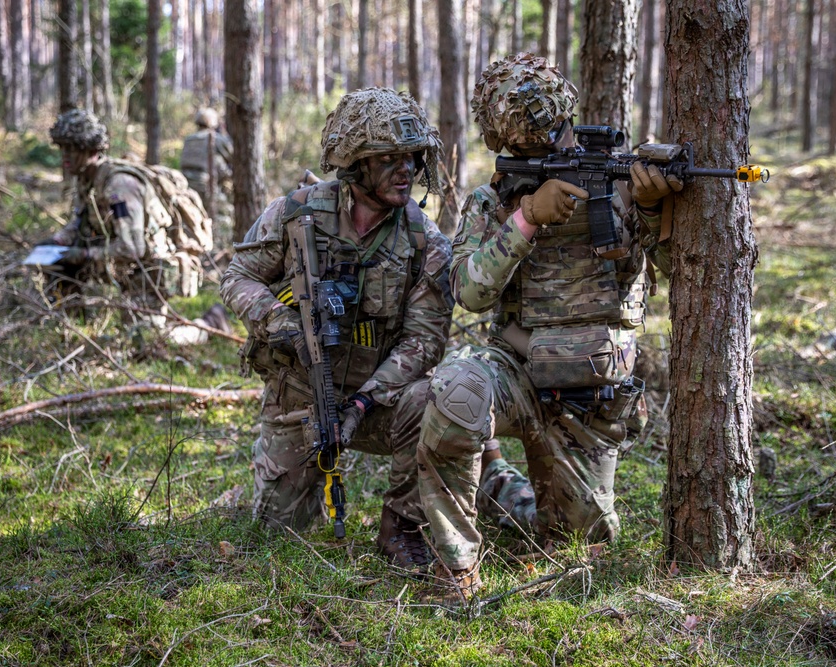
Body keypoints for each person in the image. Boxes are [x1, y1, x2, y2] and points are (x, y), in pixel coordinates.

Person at [417, 53, 683, 600]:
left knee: (576, 541)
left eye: (557, 135)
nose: (554, 151)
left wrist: (653, 210)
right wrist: (526, 219)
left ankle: (496, 481)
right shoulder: (493, 200)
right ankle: (457, 569)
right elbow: (468, 292)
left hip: (590, 396)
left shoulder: (623, 183)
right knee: (455, 395)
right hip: (514, 375)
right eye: (528, 152)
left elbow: (681, 271)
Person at [220, 88, 454, 570]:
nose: (406, 170)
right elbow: (237, 277)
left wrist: (364, 402)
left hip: (378, 403)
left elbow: (425, 341)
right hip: (299, 398)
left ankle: (401, 526)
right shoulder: (297, 213)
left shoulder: (423, 239)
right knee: (277, 535)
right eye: (388, 159)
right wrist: (280, 321)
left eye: (411, 158)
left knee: (438, 400)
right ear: (356, 164)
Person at [43, 108, 227, 344]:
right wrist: (57, 242)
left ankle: (209, 325)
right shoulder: (86, 179)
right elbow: (79, 221)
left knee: (146, 341)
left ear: (91, 149)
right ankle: (74, 327)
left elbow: (133, 248)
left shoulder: (119, 187)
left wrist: (83, 254)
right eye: (62, 148)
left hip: (149, 271)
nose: (65, 156)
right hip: (120, 265)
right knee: (57, 263)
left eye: (72, 149)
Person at [180, 107, 234, 250]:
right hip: (207, 186)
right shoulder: (217, 139)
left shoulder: (189, 139)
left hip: (187, 186)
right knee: (224, 215)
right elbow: (232, 156)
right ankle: (218, 246)